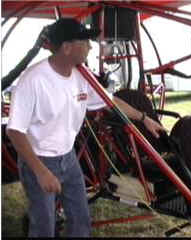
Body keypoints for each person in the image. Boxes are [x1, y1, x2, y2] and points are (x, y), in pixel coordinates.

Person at [6, 18, 166, 237]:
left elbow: (110, 102)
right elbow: (14, 131)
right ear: (67, 47)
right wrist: (41, 172)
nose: (91, 47)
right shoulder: (32, 80)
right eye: (85, 42)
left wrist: (144, 117)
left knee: (81, 219)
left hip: (68, 158)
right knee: (43, 226)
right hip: (38, 159)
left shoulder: (82, 76)